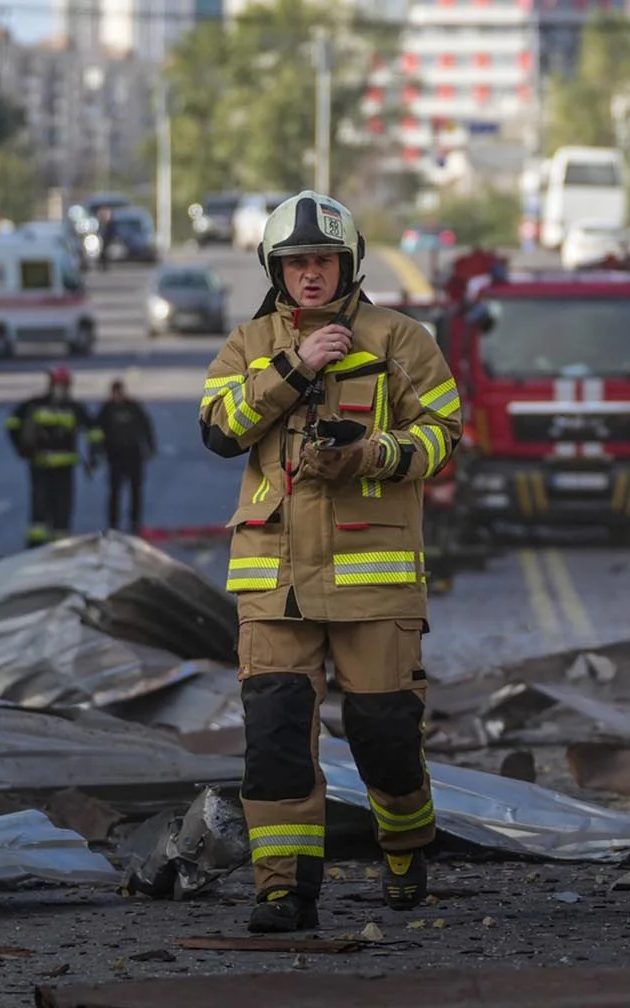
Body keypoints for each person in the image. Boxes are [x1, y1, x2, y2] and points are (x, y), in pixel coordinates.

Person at [200, 190, 461, 934]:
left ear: (347, 265)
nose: (309, 275)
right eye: (294, 263)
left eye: (322, 260)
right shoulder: (247, 345)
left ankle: (407, 848)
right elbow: (220, 429)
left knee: (385, 736)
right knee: (276, 740)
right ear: (274, 270)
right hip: (273, 581)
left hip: (372, 576)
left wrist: (374, 453)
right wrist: (293, 363)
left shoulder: (402, 340)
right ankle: (283, 892)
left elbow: (444, 434)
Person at [6, 366, 103, 546]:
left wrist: (94, 455)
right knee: (40, 507)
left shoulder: (74, 407)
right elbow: (12, 422)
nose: (60, 389)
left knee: (62, 510)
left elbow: (93, 431)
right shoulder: (35, 404)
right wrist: (21, 447)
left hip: (64, 467)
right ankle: (36, 547)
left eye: (62, 385)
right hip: (40, 464)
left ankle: (60, 547)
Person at [94, 378, 157, 534]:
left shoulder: (133, 407)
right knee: (115, 491)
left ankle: (135, 522)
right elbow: (97, 432)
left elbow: (146, 426)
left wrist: (150, 447)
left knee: (136, 491)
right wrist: (96, 453)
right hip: (115, 456)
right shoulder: (107, 409)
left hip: (134, 455)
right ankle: (113, 524)